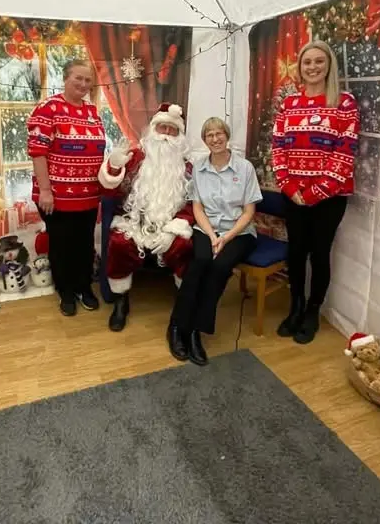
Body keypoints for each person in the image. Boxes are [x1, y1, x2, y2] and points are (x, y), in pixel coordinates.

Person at [271, 40, 358, 344]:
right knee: (296, 253)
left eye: (319, 61)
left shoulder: (344, 102)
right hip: (293, 195)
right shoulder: (289, 104)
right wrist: (290, 186)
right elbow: (278, 147)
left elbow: (345, 153)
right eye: (307, 62)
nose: (312, 67)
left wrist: (316, 191)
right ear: (300, 66)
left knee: (319, 255)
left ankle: (312, 311)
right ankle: (294, 306)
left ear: (328, 65)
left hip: (329, 199)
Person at [169, 117, 261, 366]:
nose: (215, 138)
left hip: (238, 232)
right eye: (209, 135)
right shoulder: (198, 168)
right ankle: (178, 326)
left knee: (220, 268)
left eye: (219, 133)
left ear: (227, 135)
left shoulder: (245, 168)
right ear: (204, 140)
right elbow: (197, 207)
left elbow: (249, 212)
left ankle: (196, 331)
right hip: (206, 228)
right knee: (199, 261)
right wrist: (212, 236)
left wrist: (226, 238)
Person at [99, 103, 193, 332]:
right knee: (119, 244)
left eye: (173, 131)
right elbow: (110, 192)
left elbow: (193, 204)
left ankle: (184, 301)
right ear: (153, 130)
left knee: (184, 246)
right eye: (163, 128)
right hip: (134, 223)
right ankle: (121, 301)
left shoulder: (186, 167)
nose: (166, 136)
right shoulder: (136, 157)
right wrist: (113, 167)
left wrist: (175, 228)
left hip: (168, 227)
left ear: (180, 136)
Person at [26, 59, 106, 316]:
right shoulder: (48, 108)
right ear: (65, 78)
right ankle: (66, 291)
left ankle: (84, 287)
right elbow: (38, 152)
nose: (83, 84)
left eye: (87, 80)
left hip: (89, 195)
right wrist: (46, 191)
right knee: (61, 245)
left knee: (84, 244)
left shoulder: (92, 112)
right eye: (78, 78)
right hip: (57, 196)